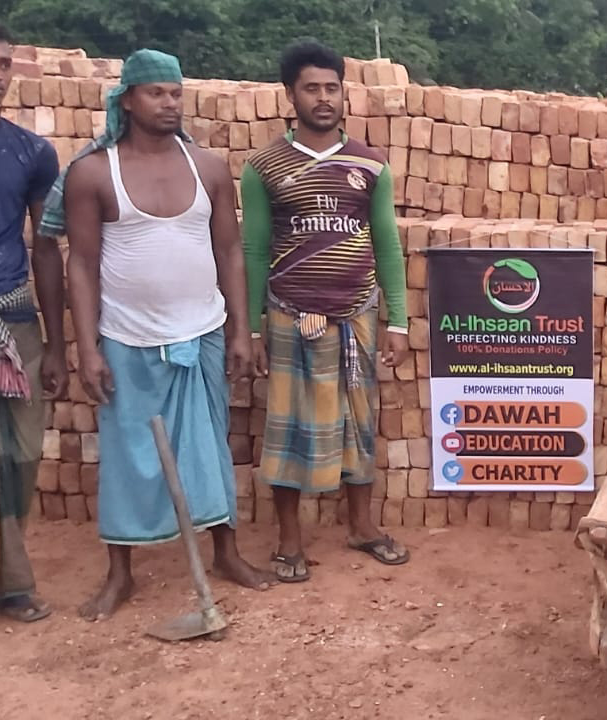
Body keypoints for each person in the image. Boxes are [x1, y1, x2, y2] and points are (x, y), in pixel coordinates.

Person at [60, 49, 273, 620]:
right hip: (126, 338)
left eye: (176, 92)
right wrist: (87, 347)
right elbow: (81, 263)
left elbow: (230, 250)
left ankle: (226, 552)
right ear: (127, 100)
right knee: (128, 453)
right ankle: (120, 572)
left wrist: (240, 329)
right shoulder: (94, 172)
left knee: (209, 446)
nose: (170, 102)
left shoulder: (209, 168)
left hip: (201, 332)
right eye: (156, 92)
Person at [242, 40, 410, 583]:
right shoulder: (263, 166)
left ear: (344, 94)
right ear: (290, 95)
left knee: (359, 422)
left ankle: (361, 527)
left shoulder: (370, 164)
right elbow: (254, 250)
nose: (323, 98)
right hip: (289, 315)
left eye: (332, 88)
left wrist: (398, 320)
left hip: (356, 313)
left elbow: (386, 244)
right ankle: (289, 541)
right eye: (311, 88)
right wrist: (252, 328)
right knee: (288, 426)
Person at [0, 11, 64, 623]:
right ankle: (6, 584)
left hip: (11, 321)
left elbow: (46, 248)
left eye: (3, 63)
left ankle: (8, 582)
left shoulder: (32, 152)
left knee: (17, 456)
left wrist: (56, 344)